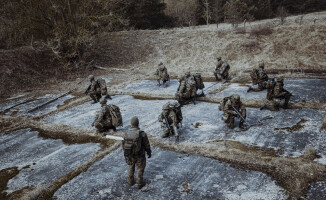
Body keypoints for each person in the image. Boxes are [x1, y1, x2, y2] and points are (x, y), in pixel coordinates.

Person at [122, 116, 151, 189]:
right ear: (138, 123)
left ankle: (130, 181)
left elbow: (123, 144)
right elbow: (147, 145)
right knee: (140, 168)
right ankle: (139, 183)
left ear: (131, 124)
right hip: (140, 154)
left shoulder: (126, 133)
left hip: (130, 154)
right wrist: (149, 152)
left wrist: (127, 153)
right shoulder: (141, 133)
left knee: (131, 167)